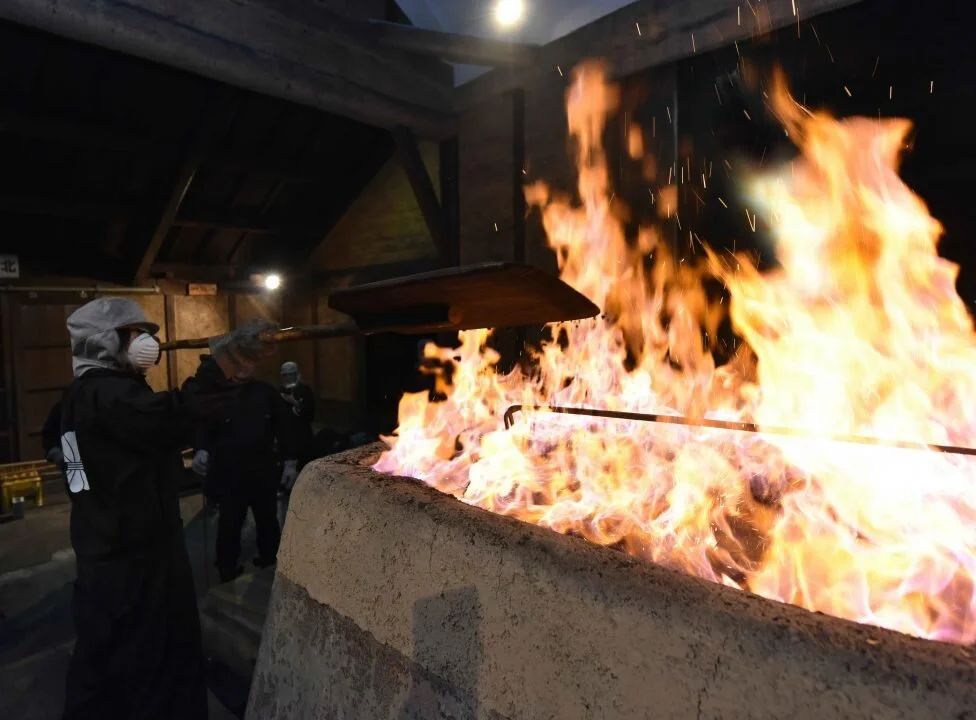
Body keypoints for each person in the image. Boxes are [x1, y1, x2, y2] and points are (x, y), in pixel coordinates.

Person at [58, 296, 245, 720]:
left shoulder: (77, 397)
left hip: (99, 554)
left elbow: (99, 466)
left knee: (100, 666)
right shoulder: (110, 395)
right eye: (134, 335)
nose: (145, 343)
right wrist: (222, 364)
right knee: (157, 668)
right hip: (137, 560)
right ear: (106, 343)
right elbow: (174, 415)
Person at [191, 355, 298, 583]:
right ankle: (226, 570)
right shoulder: (219, 394)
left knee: (268, 520)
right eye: (237, 362)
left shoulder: (267, 393)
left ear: (255, 364)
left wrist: (290, 462)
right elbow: (204, 427)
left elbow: (285, 427)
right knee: (230, 522)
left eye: (248, 361)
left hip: (263, 470)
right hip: (229, 473)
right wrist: (201, 450)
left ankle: (270, 562)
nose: (243, 366)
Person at [278, 361, 315, 470]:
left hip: (302, 435)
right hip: (285, 437)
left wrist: (296, 403)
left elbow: (310, 413)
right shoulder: (280, 391)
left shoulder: (304, 389)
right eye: (286, 375)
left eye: (291, 374)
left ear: (296, 374)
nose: (288, 377)